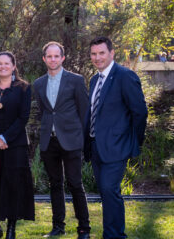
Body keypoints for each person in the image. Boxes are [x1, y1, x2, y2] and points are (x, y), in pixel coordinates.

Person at [84, 37, 147, 239]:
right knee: (106, 192)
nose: (97, 57)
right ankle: (112, 233)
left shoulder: (125, 76)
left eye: (101, 53)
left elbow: (139, 112)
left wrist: (133, 141)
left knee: (110, 190)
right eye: (94, 54)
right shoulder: (95, 80)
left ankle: (114, 235)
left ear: (112, 53)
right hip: (96, 147)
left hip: (117, 147)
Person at [33, 42, 91, 239]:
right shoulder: (39, 83)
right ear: (44, 59)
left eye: (56, 56)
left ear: (63, 58)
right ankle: (58, 226)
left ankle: (84, 228)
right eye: (49, 56)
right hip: (50, 141)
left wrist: (84, 139)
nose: (53, 59)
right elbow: (44, 111)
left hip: (72, 140)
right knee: (55, 184)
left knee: (75, 183)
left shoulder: (75, 80)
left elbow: (85, 111)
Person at [0, 52, 35, 239]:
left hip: (15, 145)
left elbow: (23, 117)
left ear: (14, 66)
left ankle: (11, 228)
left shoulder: (23, 88)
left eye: (7, 63)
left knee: (13, 185)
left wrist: (4, 139)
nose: (3, 66)